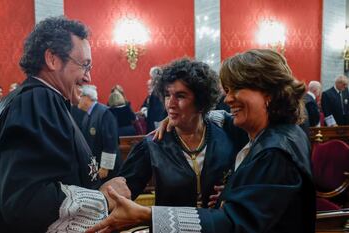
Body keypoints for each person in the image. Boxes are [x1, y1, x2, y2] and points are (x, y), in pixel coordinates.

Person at [87, 49, 315, 233]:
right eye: (167, 95)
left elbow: (237, 222)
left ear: (269, 93)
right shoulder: (283, 133)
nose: (228, 98)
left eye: (237, 88)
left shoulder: (271, 149)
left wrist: (148, 215)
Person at [0, 17, 130, 233]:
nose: (88, 77)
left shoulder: (34, 98)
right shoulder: (38, 100)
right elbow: (26, 202)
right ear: (53, 59)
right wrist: (102, 198)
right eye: (84, 65)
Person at [119, 58, 237, 208]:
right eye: (168, 95)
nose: (170, 104)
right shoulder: (154, 143)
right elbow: (123, 190)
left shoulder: (226, 134)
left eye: (180, 96)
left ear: (201, 101)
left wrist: (231, 191)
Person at [78, 85, 121, 182]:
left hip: (107, 169)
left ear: (87, 97)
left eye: (80, 96)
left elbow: (110, 141)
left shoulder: (104, 113)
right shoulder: (88, 115)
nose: (77, 99)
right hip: (95, 165)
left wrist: (105, 166)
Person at [141, 66, 167, 132]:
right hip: (158, 121)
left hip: (157, 122)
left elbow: (158, 110)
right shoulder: (160, 89)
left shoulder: (158, 90)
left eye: (152, 78)